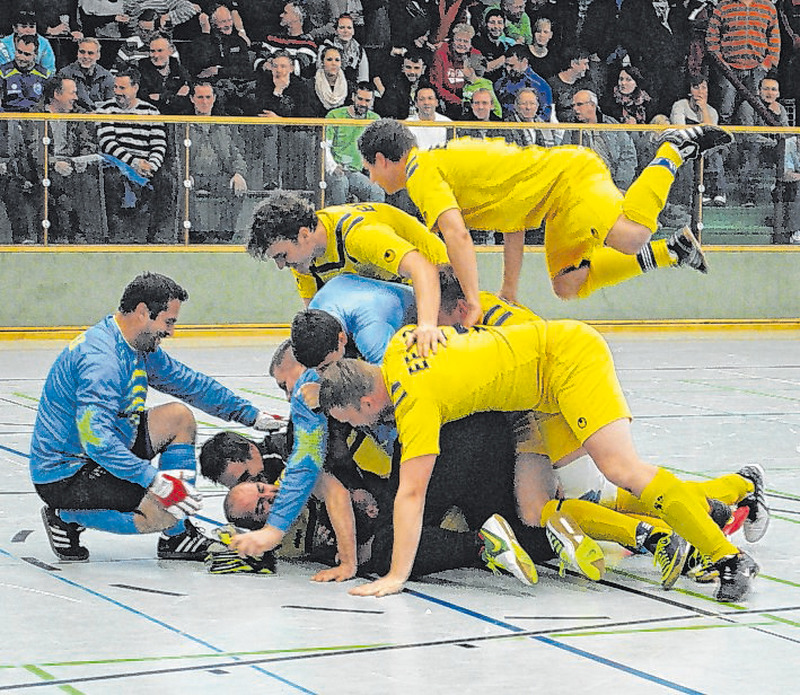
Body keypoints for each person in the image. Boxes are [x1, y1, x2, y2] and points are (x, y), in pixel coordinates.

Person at [316, 320, 760, 603]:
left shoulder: (414, 404)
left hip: (564, 361)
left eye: (356, 417)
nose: (364, 425)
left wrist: (396, 575)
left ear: (370, 397)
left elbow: (412, 495)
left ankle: (727, 557)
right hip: (534, 402)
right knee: (536, 508)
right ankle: (735, 489)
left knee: (620, 468)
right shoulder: (400, 345)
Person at [356, 118, 726, 320]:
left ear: (382, 159)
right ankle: (673, 251)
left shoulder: (421, 173)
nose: (370, 178)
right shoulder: (439, 168)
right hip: (553, 206)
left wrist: (473, 301)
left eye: (368, 168)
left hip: (570, 177)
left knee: (630, 237)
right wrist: (508, 292)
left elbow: (458, 238)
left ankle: (673, 149)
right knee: (568, 284)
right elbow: (512, 225)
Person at [30, 272, 279, 563]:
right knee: (160, 513)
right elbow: (97, 441)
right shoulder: (102, 362)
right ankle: (64, 517)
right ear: (143, 312)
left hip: (105, 447)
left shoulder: (136, 346)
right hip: (67, 473)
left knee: (178, 418)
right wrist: (155, 482)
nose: (171, 331)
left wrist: (250, 415)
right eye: (168, 321)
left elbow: (190, 383)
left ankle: (178, 535)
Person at [246, 190, 449, 355]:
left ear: (304, 234)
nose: (281, 265)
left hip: (442, 283)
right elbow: (319, 323)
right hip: (397, 294)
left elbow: (424, 269)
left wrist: (427, 326)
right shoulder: (303, 259)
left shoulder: (358, 235)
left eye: (282, 255)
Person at [96, 66, 166, 243]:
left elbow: (159, 143)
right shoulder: (105, 110)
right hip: (119, 163)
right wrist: (134, 163)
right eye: (116, 87)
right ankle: (115, 236)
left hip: (146, 165)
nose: (117, 92)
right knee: (112, 179)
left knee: (168, 181)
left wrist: (151, 166)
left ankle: (159, 237)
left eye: (122, 88)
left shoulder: (151, 111)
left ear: (135, 88)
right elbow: (107, 143)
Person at [186, 81, 249, 241]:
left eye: (208, 97)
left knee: (238, 187)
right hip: (193, 176)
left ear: (214, 98)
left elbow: (236, 154)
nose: (204, 102)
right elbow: (178, 157)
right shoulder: (184, 125)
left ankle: (223, 236)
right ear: (192, 99)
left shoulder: (224, 126)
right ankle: (196, 236)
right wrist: (185, 173)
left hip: (218, 176)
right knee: (183, 187)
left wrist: (238, 173)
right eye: (200, 97)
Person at [706, 0, 781, 124]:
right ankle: (726, 142)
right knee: (725, 111)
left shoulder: (768, 6)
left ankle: (755, 142)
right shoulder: (723, 6)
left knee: (754, 112)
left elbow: (774, 38)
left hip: (757, 70)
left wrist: (767, 63)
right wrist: (721, 63)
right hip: (728, 71)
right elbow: (711, 37)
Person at [670, 74, 729, 207]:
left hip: (704, 147)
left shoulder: (712, 112)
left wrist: (703, 109)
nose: (700, 92)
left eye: (703, 88)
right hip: (684, 145)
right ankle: (696, 192)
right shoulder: (680, 106)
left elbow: (711, 134)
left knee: (715, 152)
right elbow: (680, 130)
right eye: (696, 88)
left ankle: (717, 191)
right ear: (689, 91)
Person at [323, 81, 384, 206]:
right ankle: (339, 224)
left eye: (367, 101)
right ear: (353, 97)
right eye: (360, 99)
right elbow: (325, 146)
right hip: (332, 170)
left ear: (372, 101)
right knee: (340, 182)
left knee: (377, 192)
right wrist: (333, 167)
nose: (363, 104)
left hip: (354, 172)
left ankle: (370, 225)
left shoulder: (375, 119)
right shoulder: (335, 115)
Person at [569, 89, 637, 190]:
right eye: (573, 105)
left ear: (592, 105)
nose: (575, 109)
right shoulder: (571, 130)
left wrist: (620, 186)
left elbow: (628, 154)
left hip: (616, 184)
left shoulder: (611, 124)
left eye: (579, 104)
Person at [430, 22, 482, 119]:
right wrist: (458, 102)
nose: (461, 44)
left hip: (469, 101)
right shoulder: (441, 53)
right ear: (452, 41)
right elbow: (437, 86)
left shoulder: (475, 55)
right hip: (447, 100)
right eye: (458, 40)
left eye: (466, 41)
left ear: (471, 44)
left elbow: (480, 82)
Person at [493, 44, 552, 120]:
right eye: (506, 65)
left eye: (511, 66)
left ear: (524, 62)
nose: (508, 69)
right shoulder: (499, 84)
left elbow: (545, 114)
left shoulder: (540, 85)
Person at [137, 32, 192, 115]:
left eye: (160, 50)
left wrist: (161, 97)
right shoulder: (141, 70)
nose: (155, 55)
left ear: (170, 50)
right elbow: (146, 100)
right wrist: (176, 96)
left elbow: (188, 99)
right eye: (152, 51)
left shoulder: (180, 69)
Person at [56, 37, 115, 112]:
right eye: (82, 52)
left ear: (98, 56)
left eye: (90, 53)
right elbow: (62, 101)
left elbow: (111, 103)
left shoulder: (107, 77)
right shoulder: (64, 74)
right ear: (77, 53)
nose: (86, 56)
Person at [0, 34, 50, 112]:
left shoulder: (45, 75)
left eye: (27, 54)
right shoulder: (2, 73)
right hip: (10, 118)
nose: (21, 57)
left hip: (36, 118)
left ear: (35, 55)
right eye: (19, 52)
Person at [374, 48, 428, 119]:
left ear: (423, 69)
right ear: (403, 68)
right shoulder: (395, 88)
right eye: (408, 67)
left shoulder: (428, 89)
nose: (412, 72)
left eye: (416, 68)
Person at [0, 11, 56, 77]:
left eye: (32, 26)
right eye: (24, 27)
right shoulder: (2, 45)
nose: (28, 30)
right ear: (15, 28)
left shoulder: (44, 44)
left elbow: (50, 71)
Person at [318, 12, 368, 84]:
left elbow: (363, 79)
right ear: (336, 31)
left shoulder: (359, 51)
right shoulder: (325, 47)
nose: (345, 31)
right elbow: (320, 74)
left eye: (349, 28)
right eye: (342, 28)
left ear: (353, 31)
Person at [471, 7, 514, 83]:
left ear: (504, 25)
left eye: (500, 23)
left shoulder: (502, 45)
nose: (496, 27)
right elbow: (483, 69)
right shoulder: (477, 41)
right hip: (481, 84)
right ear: (486, 24)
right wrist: (504, 58)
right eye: (492, 22)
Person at [406, 83, 452, 150]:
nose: (426, 102)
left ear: (437, 102)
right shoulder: (407, 125)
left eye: (430, 98)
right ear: (416, 103)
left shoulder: (447, 123)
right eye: (422, 99)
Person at [312, 45, 349, 114]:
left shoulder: (349, 87)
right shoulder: (310, 85)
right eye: (329, 59)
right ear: (322, 62)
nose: (333, 63)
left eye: (337, 60)